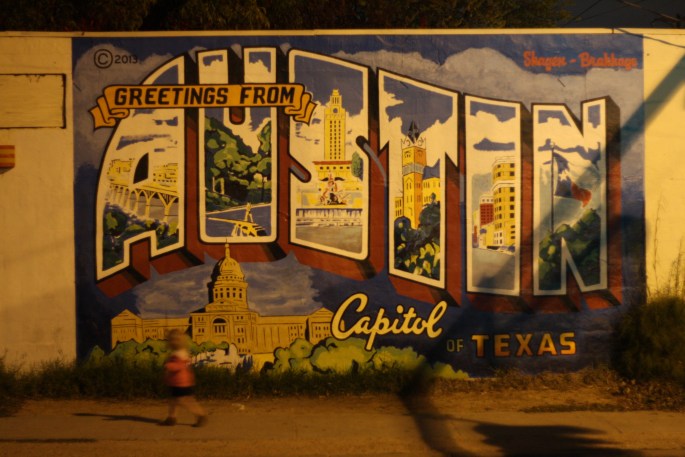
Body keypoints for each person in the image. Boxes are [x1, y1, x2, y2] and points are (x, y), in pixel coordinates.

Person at [158, 329, 208, 427]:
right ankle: (171, 417)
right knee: (174, 400)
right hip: (179, 381)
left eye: (171, 340)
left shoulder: (179, 354)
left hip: (180, 382)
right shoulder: (180, 352)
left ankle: (200, 415)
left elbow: (179, 366)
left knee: (184, 401)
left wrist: (168, 366)